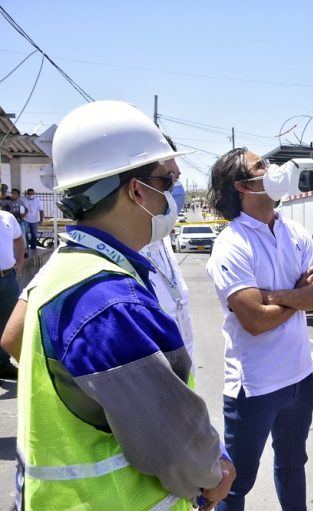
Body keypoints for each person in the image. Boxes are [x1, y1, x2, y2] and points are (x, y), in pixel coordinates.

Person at [1, 100, 235, 510]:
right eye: (167, 181)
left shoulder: (68, 267)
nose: (173, 196)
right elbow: (178, 448)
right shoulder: (109, 303)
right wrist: (215, 474)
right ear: (136, 190)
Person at [206, 148, 313, 510]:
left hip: (299, 377)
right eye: (262, 166)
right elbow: (255, 321)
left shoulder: (295, 232)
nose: (273, 170)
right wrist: (299, 296)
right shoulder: (232, 244)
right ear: (243, 186)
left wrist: (275, 296)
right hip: (254, 386)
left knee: (293, 465)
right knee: (235, 482)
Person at [139, 135, 196, 371]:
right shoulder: (100, 258)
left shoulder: (159, 237)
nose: (177, 191)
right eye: (168, 181)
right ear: (136, 189)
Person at [0, 207, 24, 380]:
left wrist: (20, 264)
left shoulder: (7, 217)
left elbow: (19, 240)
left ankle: (2, 364)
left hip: (8, 277)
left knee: (7, 322)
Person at [22, 188, 44, 252]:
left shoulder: (38, 200)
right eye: (29, 194)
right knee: (25, 233)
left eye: (32, 194)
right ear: (26, 194)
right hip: (25, 219)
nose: (30, 195)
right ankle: (27, 246)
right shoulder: (23, 200)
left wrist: (41, 220)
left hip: (35, 220)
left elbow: (41, 211)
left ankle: (33, 248)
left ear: (34, 194)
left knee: (34, 234)